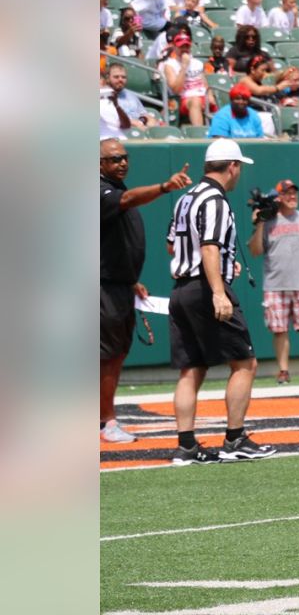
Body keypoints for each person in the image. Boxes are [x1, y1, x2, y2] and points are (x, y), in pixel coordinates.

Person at [165, 138, 275, 464]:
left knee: (191, 369)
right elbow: (210, 247)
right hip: (204, 289)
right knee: (245, 362)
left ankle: (186, 446)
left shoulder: (185, 198)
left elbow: (174, 246)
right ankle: (235, 439)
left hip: (181, 288)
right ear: (233, 166)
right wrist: (218, 288)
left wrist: (226, 264)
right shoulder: (215, 200)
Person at [100, 140, 192, 443]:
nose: (122, 163)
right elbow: (126, 199)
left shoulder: (114, 189)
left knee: (115, 354)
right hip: (103, 288)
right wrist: (165, 186)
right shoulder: (100, 190)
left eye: (124, 157)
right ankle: (105, 422)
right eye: (114, 159)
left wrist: (130, 280)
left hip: (117, 286)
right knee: (107, 356)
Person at [247, 179, 299, 384]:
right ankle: (283, 371)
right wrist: (259, 224)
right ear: (278, 197)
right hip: (275, 286)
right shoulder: (269, 222)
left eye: (294, 193)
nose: (292, 197)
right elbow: (255, 251)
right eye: (287, 193)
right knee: (279, 330)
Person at [161, 32, 209, 126]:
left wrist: (210, 96)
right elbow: (176, 90)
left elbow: (205, 84)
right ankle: (200, 135)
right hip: (184, 99)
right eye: (181, 46)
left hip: (203, 96)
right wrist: (184, 67)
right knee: (195, 101)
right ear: (175, 47)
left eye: (186, 46)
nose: (184, 49)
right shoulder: (170, 65)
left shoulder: (198, 63)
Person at [103, 63, 160, 129]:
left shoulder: (131, 95)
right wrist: (132, 122)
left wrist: (148, 120)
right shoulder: (103, 96)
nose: (120, 79)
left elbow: (143, 115)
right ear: (108, 78)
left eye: (123, 77)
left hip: (139, 129)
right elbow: (109, 120)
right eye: (116, 77)